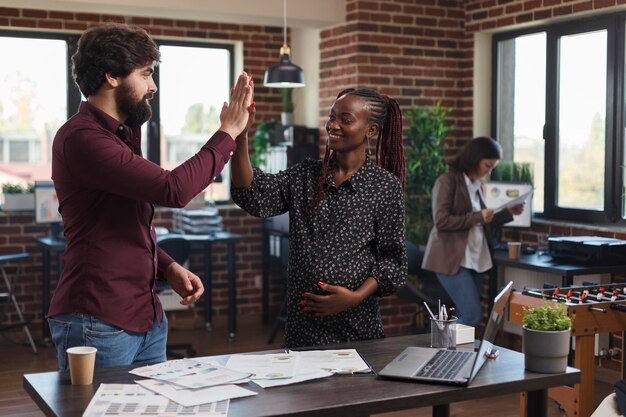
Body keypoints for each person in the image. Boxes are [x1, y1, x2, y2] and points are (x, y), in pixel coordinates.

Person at [46, 22, 252, 370]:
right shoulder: (83, 138)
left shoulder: (121, 134)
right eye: (145, 74)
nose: (152, 86)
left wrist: (167, 266)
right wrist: (228, 131)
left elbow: (126, 227)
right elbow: (173, 189)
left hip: (146, 318)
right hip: (98, 320)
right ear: (112, 76)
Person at [231, 87, 408, 348]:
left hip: (357, 329)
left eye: (345, 120)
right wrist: (241, 135)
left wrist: (355, 297)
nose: (333, 125)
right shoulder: (305, 176)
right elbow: (253, 194)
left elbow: (393, 262)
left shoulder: (385, 187)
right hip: (305, 331)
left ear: (370, 130)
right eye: (331, 117)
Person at [422, 137, 524, 327]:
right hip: (451, 260)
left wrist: (508, 213)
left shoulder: (476, 186)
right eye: (487, 165)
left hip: (475, 260)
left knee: (466, 316)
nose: (489, 171)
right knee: (472, 317)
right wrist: (478, 217)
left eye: (492, 166)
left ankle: (454, 355)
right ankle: (440, 348)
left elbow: (482, 222)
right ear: (474, 159)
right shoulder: (447, 182)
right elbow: (441, 220)